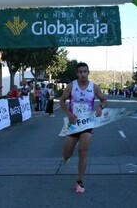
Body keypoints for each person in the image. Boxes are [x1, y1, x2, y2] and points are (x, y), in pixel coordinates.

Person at [59, 62, 107, 194]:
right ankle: (66, 158)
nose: (83, 74)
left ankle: (79, 182)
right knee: (66, 153)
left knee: (82, 151)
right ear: (77, 73)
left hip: (87, 123)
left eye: (85, 71)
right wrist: (69, 114)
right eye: (80, 72)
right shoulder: (71, 86)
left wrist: (100, 108)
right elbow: (62, 101)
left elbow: (104, 100)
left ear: (88, 72)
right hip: (73, 123)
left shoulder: (94, 87)